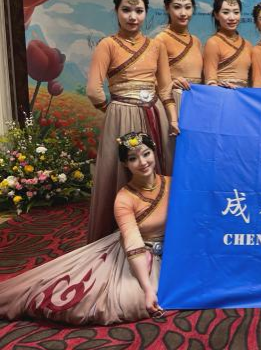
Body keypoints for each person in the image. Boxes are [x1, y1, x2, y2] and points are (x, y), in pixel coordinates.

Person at [0, 132, 171, 324]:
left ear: (154, 152)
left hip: (173, 250)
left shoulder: (173, 183)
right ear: (125, 164)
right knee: (133, 300)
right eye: (133, 158)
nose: (142, 162)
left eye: (146, 154)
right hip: (138, 252)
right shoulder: (124, 198)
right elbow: (133, 242)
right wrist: (147, 289)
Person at [86, 0, 178, 243]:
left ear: (146, 12)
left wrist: (172, 118)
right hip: (123, 114)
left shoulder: (156, 46)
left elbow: (165, 87)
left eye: (139, 11)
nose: (133, 17)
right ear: (116, 11)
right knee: (123, 171)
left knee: (158, 168)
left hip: (156, 114)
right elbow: (93, 90)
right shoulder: (107, 44)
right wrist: (113, 110)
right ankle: (124, 236)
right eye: (126, 10)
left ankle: (160, 231)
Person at [154, 0, 203, 111]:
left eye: (188, 7)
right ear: (167, 8)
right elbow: (150, 79)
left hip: (196, 102)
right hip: (173, 101)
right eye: (177, 7)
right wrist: (171, 83)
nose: (183, 13)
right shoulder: (161, 39)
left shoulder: (196, 41)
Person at [203, 0, 252, 88]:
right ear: (216, 15)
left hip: (243, 95)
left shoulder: (248, 45)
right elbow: (210, 81)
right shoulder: (213, 43)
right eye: (226, 12)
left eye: (236, 12)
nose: (232, 18)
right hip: (221, 94)